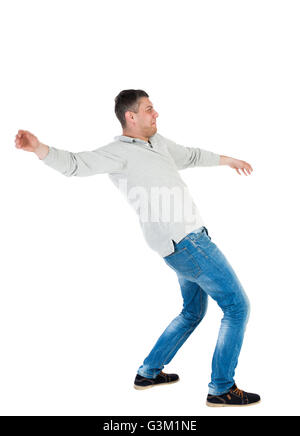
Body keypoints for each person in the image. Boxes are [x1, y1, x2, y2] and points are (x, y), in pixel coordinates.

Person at [15, 89, 260, 407]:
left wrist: (230, 161)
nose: (156, 114)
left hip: (183, 244)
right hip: (188, 244)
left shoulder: (158, 143)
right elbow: (75, 164)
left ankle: (149, 372)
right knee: (237, 307)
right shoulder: (118, 152)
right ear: (130, 116)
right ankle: (221, 388)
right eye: (149, 109)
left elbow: (191, 155)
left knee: (192, 312)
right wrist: (38, 148)